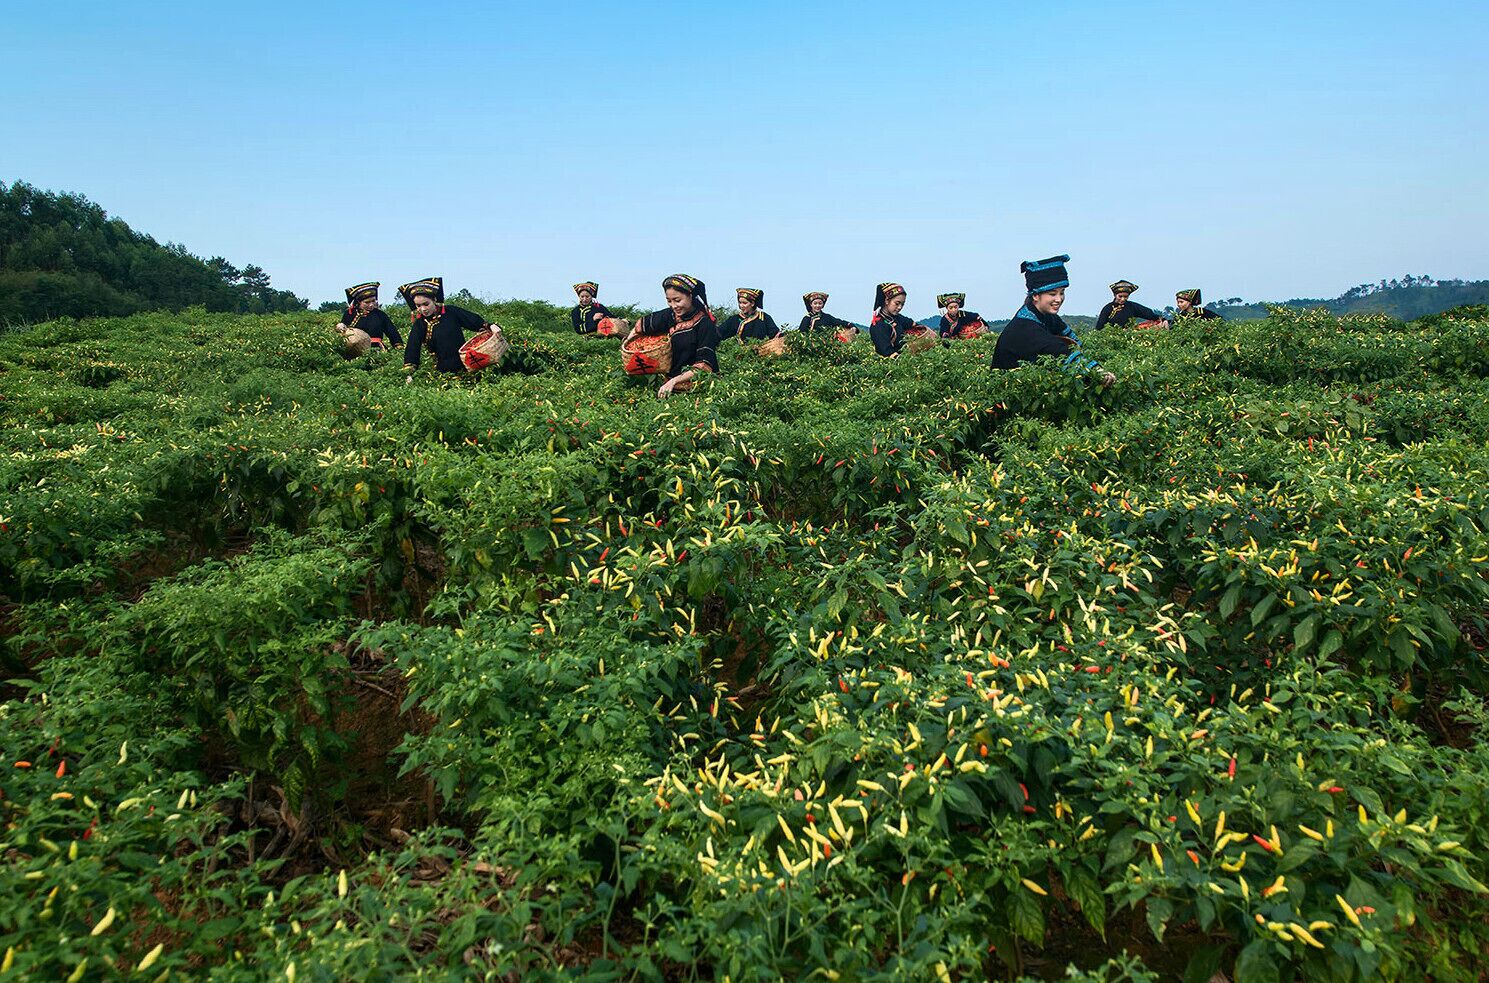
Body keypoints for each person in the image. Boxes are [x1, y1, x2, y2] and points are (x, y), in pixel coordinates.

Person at [992, 255, 1115, 386]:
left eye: (1062, 293)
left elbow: (1072, 340)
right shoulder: (1024, 326)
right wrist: (1096, 371)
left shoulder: (1047, 316)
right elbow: (1056, 349)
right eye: (1052, 294)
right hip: (1009, 392)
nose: (1059, 299)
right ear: (1035, 295)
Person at [628, 274, 720, 398]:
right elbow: (641, 326)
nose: (673, 305)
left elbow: (704, 366)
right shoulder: (669, 315)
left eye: (677, 300)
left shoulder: (704, 324)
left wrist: (674, 381)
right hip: (668, 387)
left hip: (699, 389)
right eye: (669, 301)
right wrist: (629, 342)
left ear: (690, 296)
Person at [399, 278, 491, 375]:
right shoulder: (420, 324)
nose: (423, 309)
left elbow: (473, 320)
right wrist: (409, 371)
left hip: (466, 366)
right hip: (442, 372)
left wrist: (490, 326)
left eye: (426, 304)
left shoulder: (451, 312)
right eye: (418, 306)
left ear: (434, 300)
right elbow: (412, 348)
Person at [336, 282, 402, 349]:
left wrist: (398, 346)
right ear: (358, 303)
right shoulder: (349, 314)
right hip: (355, 349)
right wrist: (340, 327)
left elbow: (392, 332)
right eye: (367, 302)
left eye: (373, 301)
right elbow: (342, 332)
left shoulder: (380, 315)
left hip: (377, 349)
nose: (371, 305)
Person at [869, 282, 919, 357]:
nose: (899, 307)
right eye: (897, 303)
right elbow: (887, 352)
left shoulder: (898, 318)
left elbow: (914, 325)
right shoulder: (878, 325)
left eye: (902, 304)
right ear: (886, 301)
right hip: (890, 365)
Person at [1094, 280, 1167, 330]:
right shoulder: (1108, 308)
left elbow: (1148, 313)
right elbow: (1099, 327)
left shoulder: (1131, 306)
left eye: (1125, 297)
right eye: (1120, 296)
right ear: (1115, 295)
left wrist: (1162, 319)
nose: (1123, 299)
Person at [718, 288, 782, 342]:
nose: (741, 306)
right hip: (740, 355)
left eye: (744, 303)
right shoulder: (734, 319)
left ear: (752, 303)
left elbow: (776, 335)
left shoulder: (764, 318)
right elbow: (719, 333)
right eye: (740, 302)